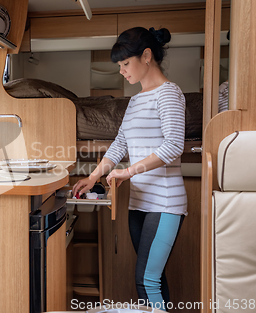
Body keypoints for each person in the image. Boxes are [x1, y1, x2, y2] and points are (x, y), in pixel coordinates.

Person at [72, 26, 187, 312]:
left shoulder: (169, 94)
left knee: (146, 281)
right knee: (153, 278)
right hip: (140, 204)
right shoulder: (135, 100)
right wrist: (94, 176)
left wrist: (129, 172)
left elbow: (174, 146)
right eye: (120, 66)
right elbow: (120, 143)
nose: (122, 71)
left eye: (125, 63)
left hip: (165, 202)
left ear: (146, 56)